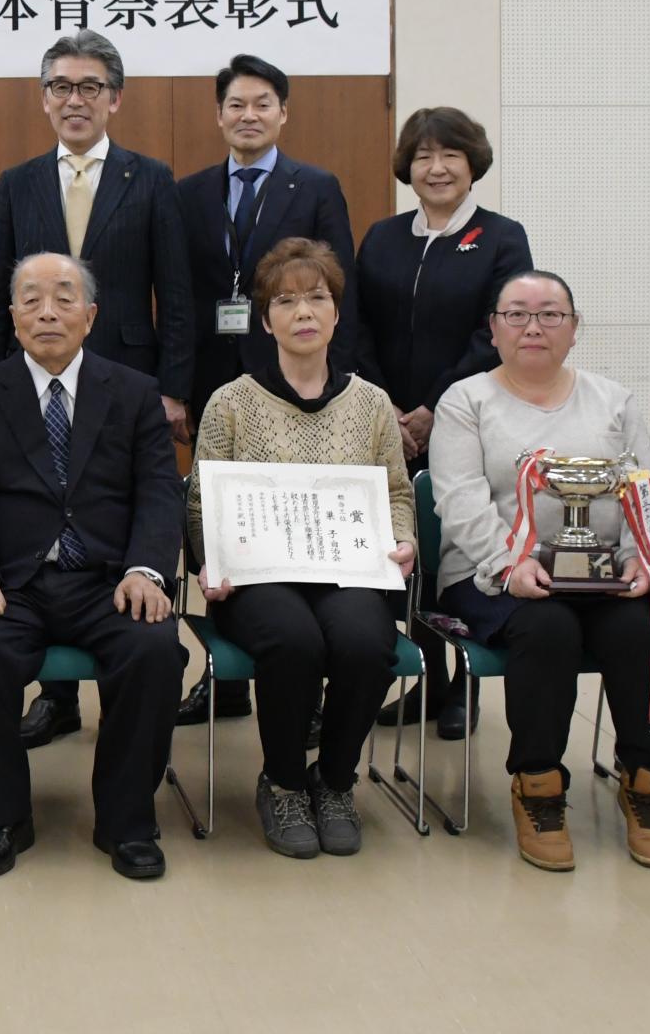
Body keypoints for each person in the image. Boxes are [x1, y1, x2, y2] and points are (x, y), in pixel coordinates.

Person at [0, 252, 187, 881]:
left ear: (91, 315)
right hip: (11, 583)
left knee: (154, 652)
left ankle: (127, 820)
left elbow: (160, 490)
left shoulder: (132, 392)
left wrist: (147, 570)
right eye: (32, 299)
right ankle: (1, 817)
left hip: (110, 580)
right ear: (13, 315)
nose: (48, 311)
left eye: (65, 297)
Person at [0, 29, 193, 750]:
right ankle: (57, 699)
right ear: (44, 100)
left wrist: (173, 391)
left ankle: (112, 691)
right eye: (61, 87)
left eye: (90, 87)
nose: (76, 100)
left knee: (99, 512)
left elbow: (177, 293)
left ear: (114, 99)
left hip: (124, 382)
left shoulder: (150, 177)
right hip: (30, 380)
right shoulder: (15, 181)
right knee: (43, 511)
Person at [428, 270, 650, 871]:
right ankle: (538, 786)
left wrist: (638, 556)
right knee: (547, 630)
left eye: (550, 315)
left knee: (637, 628)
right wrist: (508, 564)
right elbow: (459, 498)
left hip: (604, 570)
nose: (533, 327)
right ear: (493, 329)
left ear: (574, 330)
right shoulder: (465, 400)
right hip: (492, 574)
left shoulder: (612, 399)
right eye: (516, 314)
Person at [186, 239, 415, 858]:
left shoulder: (369, 403)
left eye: (317, 298)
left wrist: (404, 539)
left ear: (337, 313)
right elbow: (203, 499)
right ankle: (284, 781)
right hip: (257, 580)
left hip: (349, 572)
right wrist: (211, 560)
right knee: (293, 640)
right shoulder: (230, 401)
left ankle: (335, 781)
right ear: (266, 321)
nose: (303, 311)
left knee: (367, 642)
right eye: (286, 301)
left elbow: (395, 490)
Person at [173, 53, 360, 729]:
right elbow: (177, 293)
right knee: (211, 517)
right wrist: (175, 387)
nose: (247, 116)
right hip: (210, 379)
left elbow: (340, 289)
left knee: (289, 519)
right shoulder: (187, 191)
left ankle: (300, 682)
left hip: (294, 380)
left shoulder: (314, 186)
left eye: (261, 104)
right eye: (234, 105)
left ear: (283, 112)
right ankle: (222, 676)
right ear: (218, 115)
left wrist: (341, 379)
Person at [358, 107, 532, 740]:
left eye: (450, 155)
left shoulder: (501, 237)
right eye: (424, 156)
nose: (436, 167)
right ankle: (429, 678)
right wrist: (388, 408)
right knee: (402, 551)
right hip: (384, 420)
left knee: (453, 546)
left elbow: (497, 329)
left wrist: (434, 408)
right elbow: (357, 326)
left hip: (465, 417)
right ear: (408, 166)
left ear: (472, 163)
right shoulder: (381, 236)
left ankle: (464, 687)